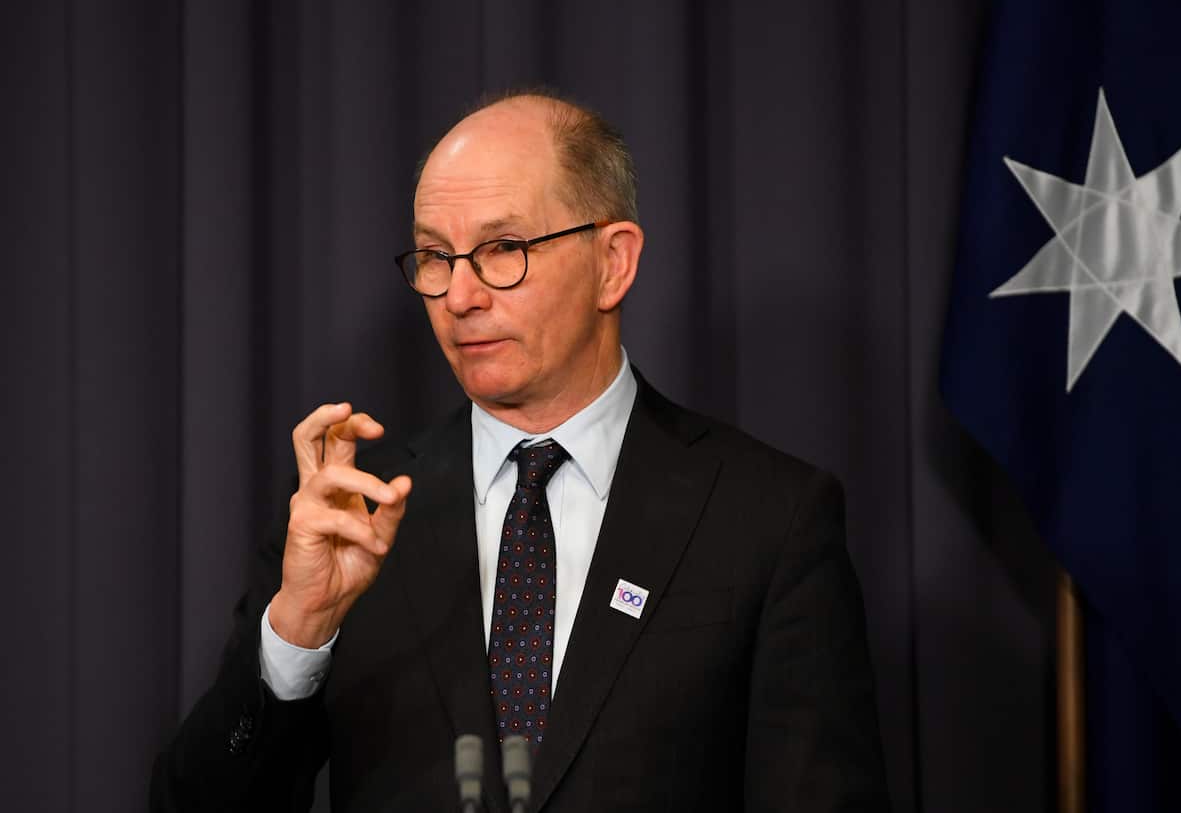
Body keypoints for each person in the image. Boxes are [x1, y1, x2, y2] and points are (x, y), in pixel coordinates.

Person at [152, 91, 890, 812]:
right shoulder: (354, 507)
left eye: (503, 249)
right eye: (436, 257)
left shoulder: (767, 516)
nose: (461, 295)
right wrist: (297, 634)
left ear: (613, 263)